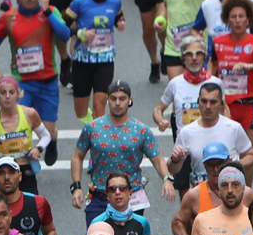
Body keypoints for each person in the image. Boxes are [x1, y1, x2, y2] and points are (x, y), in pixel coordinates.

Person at [70, 81, 175, 224]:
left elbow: (157, 159)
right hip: (100, 196)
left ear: (130, 100)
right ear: (108, 100)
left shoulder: (141, 130)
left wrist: (167, 178)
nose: (117, 103)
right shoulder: (93, 127)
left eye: (122, 98)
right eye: (113, 99)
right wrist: (76, 187)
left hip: (131, 198)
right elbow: (77, 156)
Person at [0, 0, 69, 163]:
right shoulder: (9, 17)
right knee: (18, 128)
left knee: (47, 131)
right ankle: (19, 166)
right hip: (22, 83)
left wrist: (48, 11)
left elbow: (64, 35)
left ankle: (53, 138)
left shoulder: (50, 11)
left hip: (47, 81)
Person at [164, 67, 253, 195]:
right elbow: (173, 169)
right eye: (204, 101)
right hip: (201, 196)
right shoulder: (186, 132)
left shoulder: (233, 128)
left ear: (221, 104)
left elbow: (252, 156)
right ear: (198, 102)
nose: (208, 106)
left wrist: (232, 167)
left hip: (230, 195)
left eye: (213, 102)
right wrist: (175, 160)